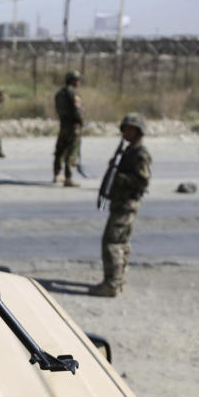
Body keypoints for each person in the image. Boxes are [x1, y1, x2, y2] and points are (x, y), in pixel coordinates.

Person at [89, 113, 152, 297]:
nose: (126, 132)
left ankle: (112, 284)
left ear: (138, 131)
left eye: (130, 129)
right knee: (121, 242)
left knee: (112, 243)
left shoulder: (140, 153)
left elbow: (142, 180)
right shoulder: (129, 150)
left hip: (127, 204)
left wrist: (119, 177)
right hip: (121, 202)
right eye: (125, 129)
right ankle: (118, 279)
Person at [53, 70, 83, 187]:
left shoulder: (60, 93)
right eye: (78, 79)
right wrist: (81, 122)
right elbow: (77, 110)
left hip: (63, 124)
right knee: (72, 151)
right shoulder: (73, 93)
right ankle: (68, 178)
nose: (79, 82)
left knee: (60, 149)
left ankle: (56, 174)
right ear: (73, 80)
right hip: (73, 125)